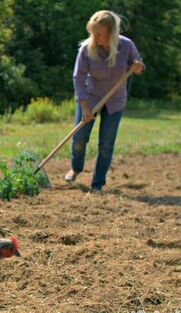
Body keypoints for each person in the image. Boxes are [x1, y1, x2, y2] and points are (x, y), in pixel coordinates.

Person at [65, 10, 144, 193]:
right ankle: (76, 168)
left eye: (99, 33)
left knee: (106, 144)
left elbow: (138, 64)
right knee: (79, 139)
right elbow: (78, 77)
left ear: (112, 32)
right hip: (90, 97)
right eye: (93, 32)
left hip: (115, 100)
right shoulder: (86, 48)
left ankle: (98, 183)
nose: (95, 36)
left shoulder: (126, 45)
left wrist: (138, 66)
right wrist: (85, 106)